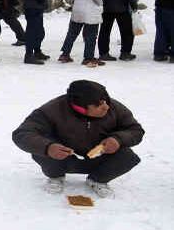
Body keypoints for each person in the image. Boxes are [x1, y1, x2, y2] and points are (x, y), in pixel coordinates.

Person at [12, 80, 144, 197]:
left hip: (100, 157)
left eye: (105, 100)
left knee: (128, 156)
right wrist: (48, 148)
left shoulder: (114, 108)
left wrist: (118, 139)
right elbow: (22, 133)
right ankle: (55, 177)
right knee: (41, 148)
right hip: (63, 158)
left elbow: (135, 130)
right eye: (98, 105)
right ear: (80, 108)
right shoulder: (52, 109)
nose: (106, 107)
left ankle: (98, 180)